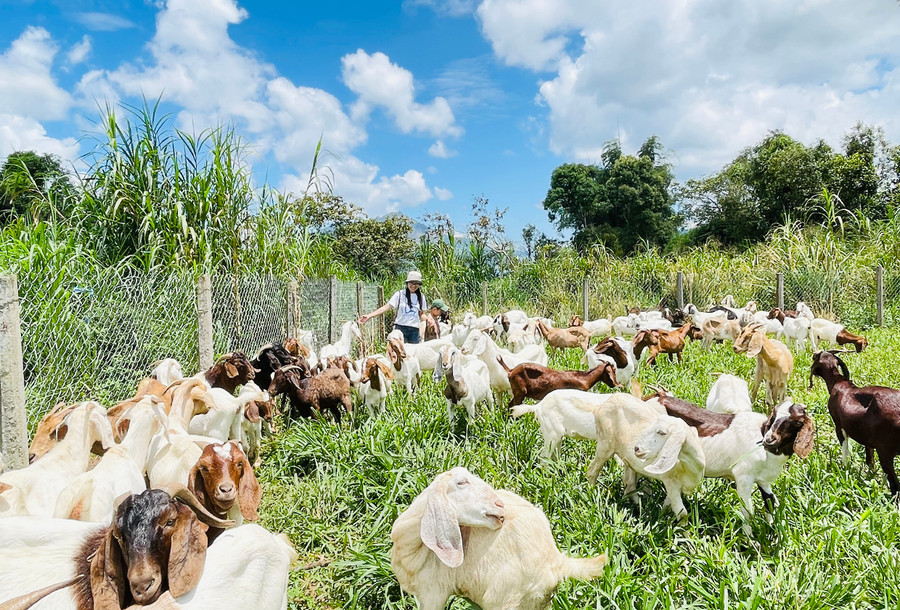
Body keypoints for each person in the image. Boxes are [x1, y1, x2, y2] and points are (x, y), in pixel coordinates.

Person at [359, 270, 429, 343]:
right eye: (411, 283)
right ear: (407, 283)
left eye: (416, 284)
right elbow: (386, 307)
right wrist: (369, 316)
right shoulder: (399, 294)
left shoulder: (421, 297)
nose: (414, 286)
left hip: (414, 330)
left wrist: (430, 320)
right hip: (400, 329)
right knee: (400, 352)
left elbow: (421, 314)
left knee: (414, 352)